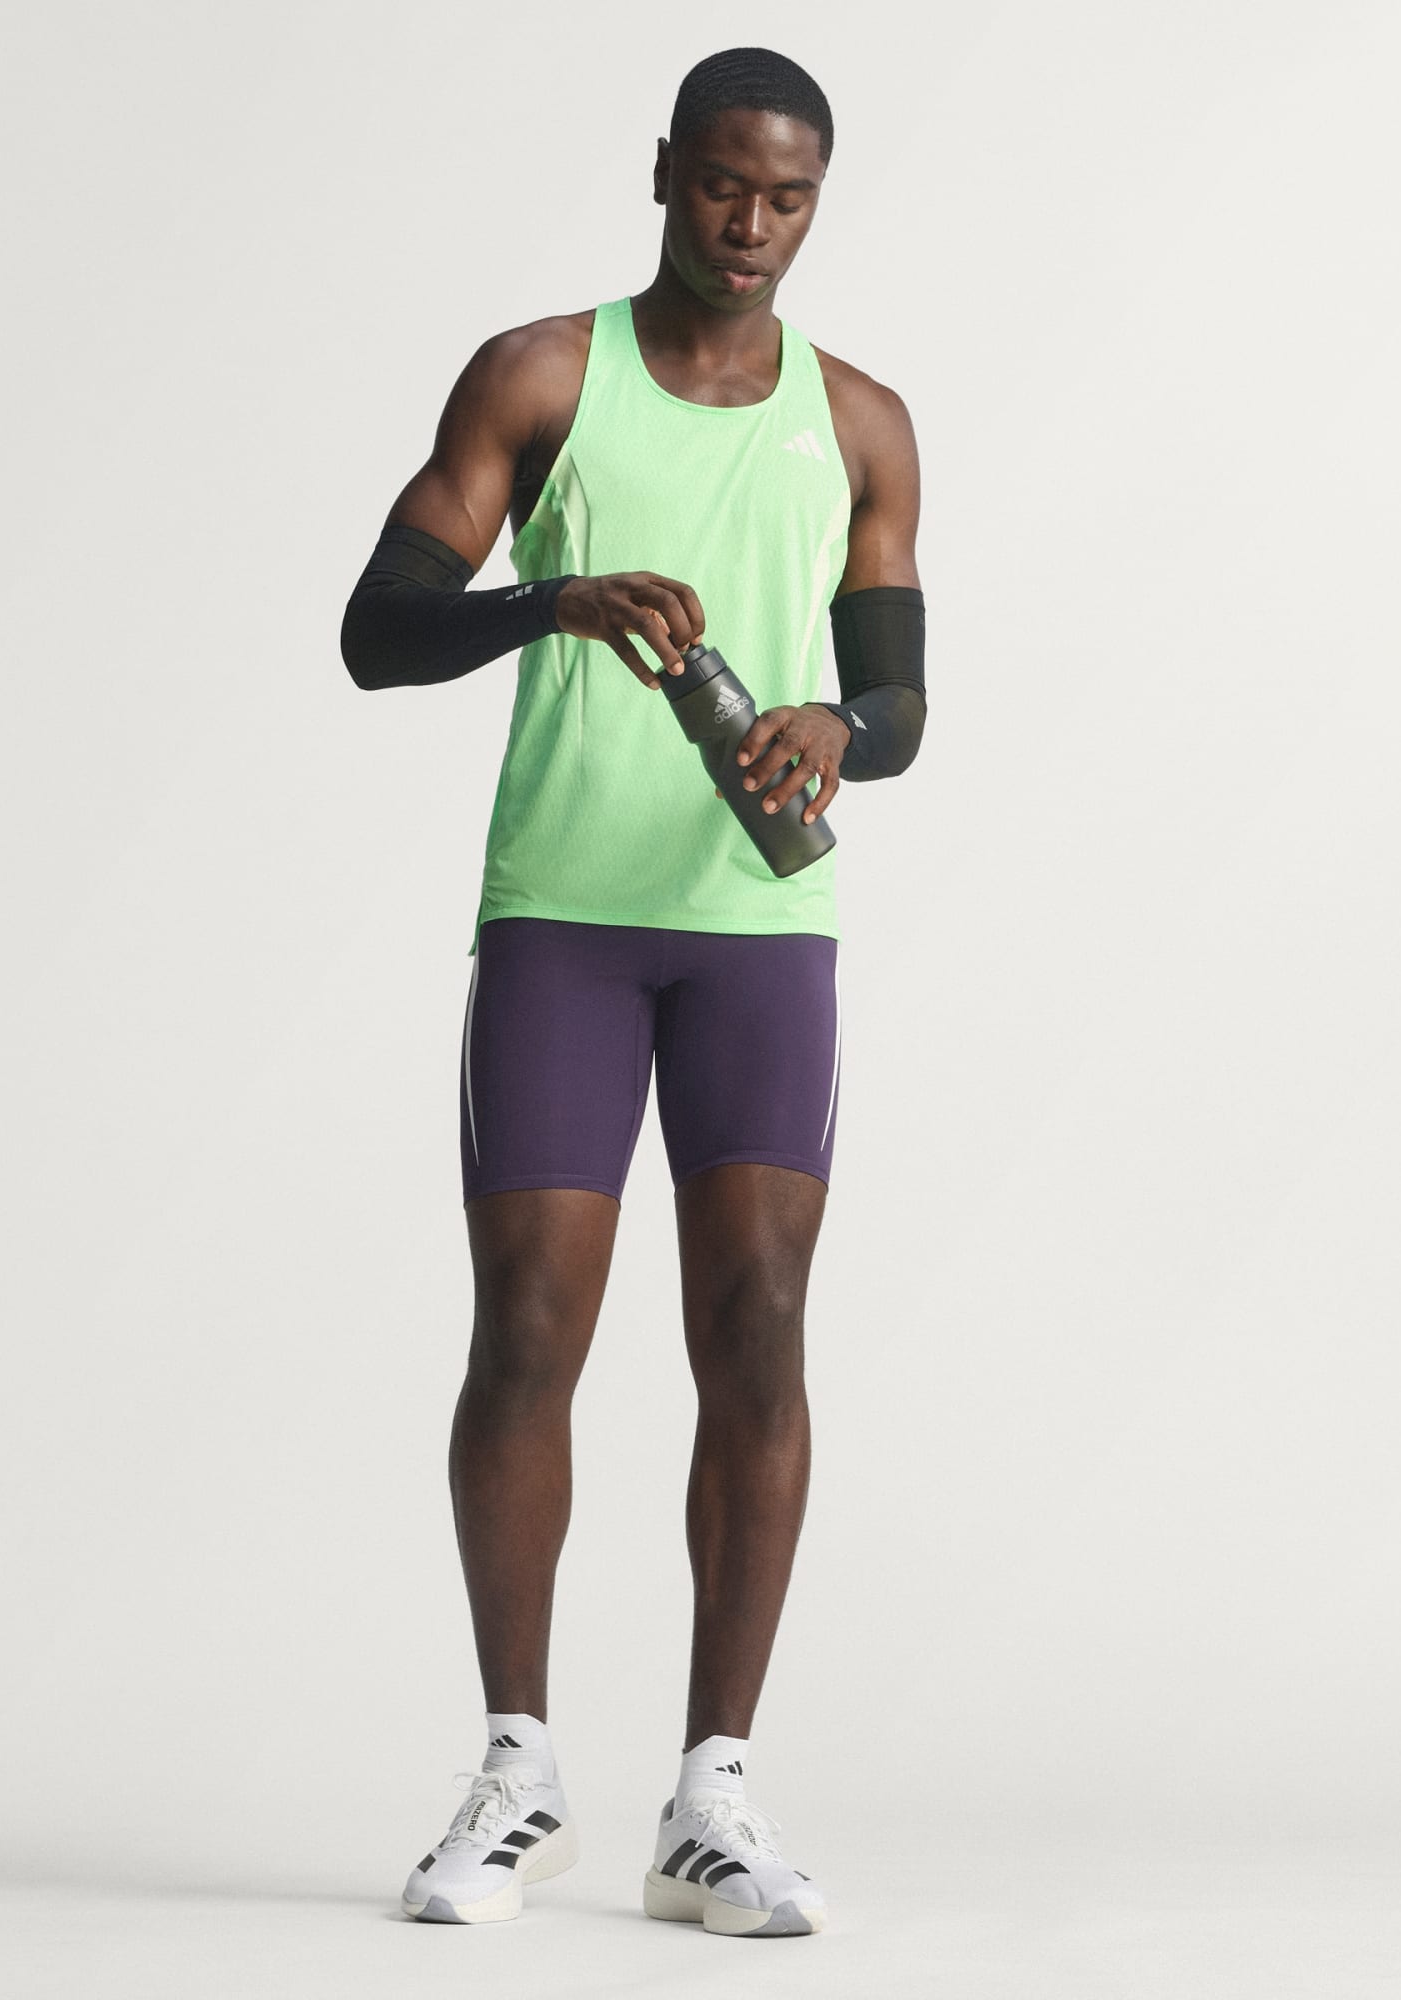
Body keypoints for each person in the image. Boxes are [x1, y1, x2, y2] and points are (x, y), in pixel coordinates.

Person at [340, 45, 926, 1939]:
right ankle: (517, 1771)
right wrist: (553, 598)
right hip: (565, 920)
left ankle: (713, 1799)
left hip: (756, 932)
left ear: (816, 204)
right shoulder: (539, 378)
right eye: (723, 186)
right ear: (665, 171)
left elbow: (902, 701)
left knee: (758, 1326)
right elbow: (376, 631)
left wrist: (843, 727)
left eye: (788, 199)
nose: (751, 227)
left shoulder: (860, 421)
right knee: (528, 1328)